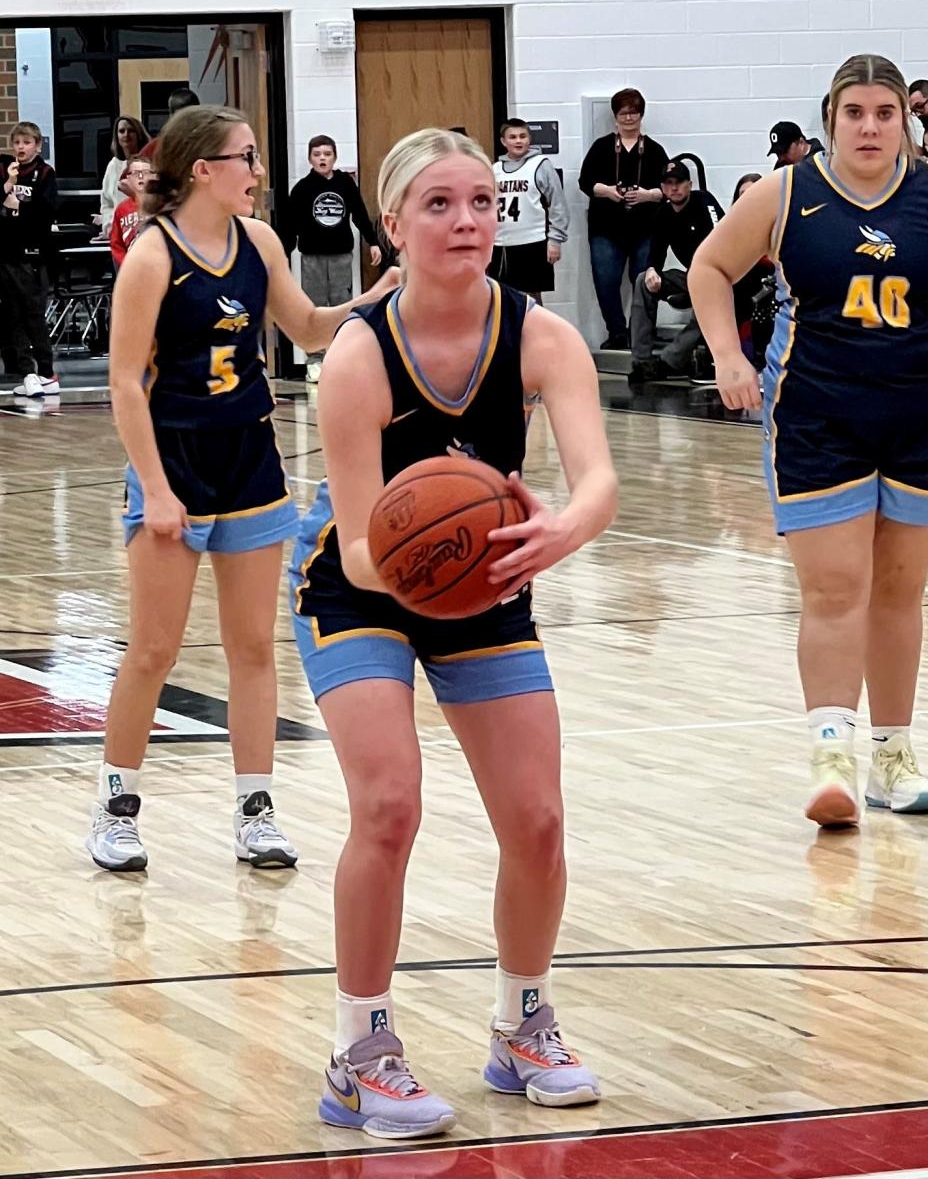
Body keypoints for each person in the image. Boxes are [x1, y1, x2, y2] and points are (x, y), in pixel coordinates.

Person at [289, 127, 618, 1137]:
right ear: (391, 224)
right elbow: (354, 547)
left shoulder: (539, 335)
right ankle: (360, 1050)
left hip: (484, 578)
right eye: (439, 203)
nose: (467, 220)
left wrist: (558, 527)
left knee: (540, 822)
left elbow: (599, 479)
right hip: (362, 588)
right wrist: (422, 560)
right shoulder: (356, 355)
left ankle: (523, 1024)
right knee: (389, 804)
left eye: (480, 200)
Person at [85, 105, 400, 874]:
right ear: (203, 169)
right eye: (246, 158)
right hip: (176, 458)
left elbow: (308, 329)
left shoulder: (259, 242)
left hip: (252, 458)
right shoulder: (154, 258)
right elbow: (125, 384)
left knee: (254, 648)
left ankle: (255, 809)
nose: (258, 172)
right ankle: (115, 808)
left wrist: (377, 297)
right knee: (154, 648)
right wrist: (155, 490)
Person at [689, 53, 928, 829]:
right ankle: (831, 755)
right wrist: (728, 355)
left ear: (905, 120)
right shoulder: (786, 193)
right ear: (830, 119)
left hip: (919, 410)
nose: (870, 127)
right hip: (817, 411)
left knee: (902, 593)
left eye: (884, 113)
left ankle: (894, 755)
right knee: (838, 588)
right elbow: (711, 267)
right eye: (855, 114)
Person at [281, 134, 383, 383]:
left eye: (327, 154)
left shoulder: (346, 185)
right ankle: (314, 359)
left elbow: (359, 213)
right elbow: (290, 225)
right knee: (315, 306)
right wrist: (283, 254)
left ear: (335, 157)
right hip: (312, 257)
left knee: (341, 304)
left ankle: (340, 356)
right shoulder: (302, 189)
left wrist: (373, 242)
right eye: (317, 155)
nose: (322, 159)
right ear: (309, 159)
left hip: (340, 255)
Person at [578, 88, 668, 350]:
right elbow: (584, 182)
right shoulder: (601, 147)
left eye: (634, 113)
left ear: (641, 116)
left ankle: (640, 334)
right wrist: (607, 192)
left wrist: (648, 195)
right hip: (606, 228)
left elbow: (669, 188)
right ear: (615, 116)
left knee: (644, 283)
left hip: (645, 228)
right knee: (606, 282)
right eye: (623, 113)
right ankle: (617, 332)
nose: (629, 118)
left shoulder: (654, 150)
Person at [628, 159, 723, 383]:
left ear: (689, 184)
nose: (674, 188)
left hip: (719, 275)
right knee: (643, 280)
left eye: (679, 182)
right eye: (669, 183)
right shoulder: (662, 214)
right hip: (691, 276)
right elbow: (656, 252)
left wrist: (704, 274)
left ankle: (670, 361)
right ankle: (642, 361)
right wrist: (652, 269)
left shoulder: (704, 201)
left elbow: (721, 237)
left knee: (708, 302)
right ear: (662, 188)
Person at [0, 121, 59, 396]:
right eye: (17, 143)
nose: (21, 148)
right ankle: (26, 371)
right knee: (13, 314)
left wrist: (18, 208)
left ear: (37, 145)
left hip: (34, 253)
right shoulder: (5, 170)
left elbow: (46, 212)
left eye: (26, 143)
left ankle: (46, 371)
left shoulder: (45, 173)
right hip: (7, 252)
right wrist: (9, 184)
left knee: (33, 313)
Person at [489, 117, 569, 305]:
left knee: (531, 299)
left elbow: (558, 204)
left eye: (523, 136)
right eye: (513, 137)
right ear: (503, 141)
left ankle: (536, 334)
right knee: (501, 297)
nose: (518, 141)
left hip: (532, 242)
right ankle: (508, 335)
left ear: (529, 139)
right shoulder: (494, 169)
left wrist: (555, 240)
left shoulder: (541, 165)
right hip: (501, 244)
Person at [729, 173, 775, 370]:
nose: (746, 198)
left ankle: (756, 356)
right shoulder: (731, 226)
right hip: (743, 280)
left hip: (771, 277)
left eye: (752, 192)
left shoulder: (778, 220)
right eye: (742, 194)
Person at [100, 115, 150, 233]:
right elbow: (107, 203)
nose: (126, 135)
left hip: (144, 230)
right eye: (122, 131)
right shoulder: (113, 166)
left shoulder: (149, 163)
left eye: (131, 131)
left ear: (139, 134)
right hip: (119, 232)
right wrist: (109, 226)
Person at [109, 153, 154, 268]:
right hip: (130, 266)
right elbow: (116, 243)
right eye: (135, 173)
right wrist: (126, 264)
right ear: (127, 178)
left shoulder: (161, 205)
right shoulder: (121, 209)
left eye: (145, 173)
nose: (140, 177)